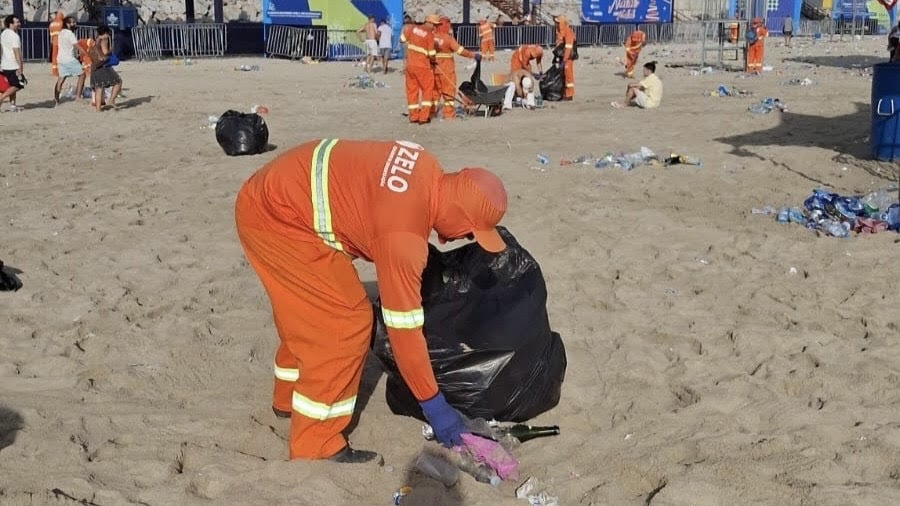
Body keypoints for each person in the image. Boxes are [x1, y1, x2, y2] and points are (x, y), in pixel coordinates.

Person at [234, 138, 509, 463]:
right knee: (344, 324)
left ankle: (288, 400)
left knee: (305, 312)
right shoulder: (403, 239)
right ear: (462, 217)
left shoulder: (425, 163)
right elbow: (403, 333)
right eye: (469, 232)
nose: (464, 238)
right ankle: (316, 446)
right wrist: (435, 406)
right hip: (277, 220)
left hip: (279, 193)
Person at [432, 16, 479, 120]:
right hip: (447, 69)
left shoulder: (432, 36)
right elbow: (460, 50)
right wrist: (473, 55)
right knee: (449, 92)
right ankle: (448, 115)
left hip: (434, 69)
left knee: (435, 93)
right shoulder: (448, 38)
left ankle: (432, 112)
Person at [400, 14, 437, 124]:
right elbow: (431, 53)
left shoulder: (413, 28)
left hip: (410, 65)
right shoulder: (429, 34)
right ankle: (423, 117)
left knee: (412, 91)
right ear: (429, 23)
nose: (435, 27)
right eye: (434, 25)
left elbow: (402, 39)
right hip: (422, 66)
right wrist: (434, 61)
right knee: (427, 90)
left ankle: (413, 116)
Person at [54, 16, 89, 106]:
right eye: (72, 22)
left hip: (61, 58)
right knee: (82, 75)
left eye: (75, 22)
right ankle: (78, 96)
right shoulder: (70, 33)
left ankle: (56, 100)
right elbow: (77, 46)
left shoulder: (61, 32)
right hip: (69, 59)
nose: (75, 24)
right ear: (67, 24)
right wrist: (86, 54)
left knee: (61, 79)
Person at [88, 25, 122, 112]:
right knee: (118, 81)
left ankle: (98, 109)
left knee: (99, 88)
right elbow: (105, 52)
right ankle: (111, 100)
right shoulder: (104, 39)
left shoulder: (96, 39)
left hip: (95, 66)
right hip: (103, 66)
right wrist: (111, 50)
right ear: (106, 33)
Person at [1, 15, 24, 112]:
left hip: (5, 63)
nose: (19, 24)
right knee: (19, 84)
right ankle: (1, 99)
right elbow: (16, 53)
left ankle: (13, 105)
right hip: (12, 64)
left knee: (11, 85)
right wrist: (20, 67)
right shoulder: (15, 36)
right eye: (17, 22)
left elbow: (1, 49)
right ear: (11, 24)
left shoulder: (4, 33)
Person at [554, 15, 576, 101]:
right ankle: (564, 93)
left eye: (557, 22)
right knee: (562, 75)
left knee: (568, 76)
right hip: (561, 56)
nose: (556, 24)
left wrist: (564, 60)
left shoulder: (568, 31)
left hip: (567, 58)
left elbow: (568, 47)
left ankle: (569, 95)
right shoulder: (559, 31)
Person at [49, 11, 64, 77]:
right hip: (61, 42)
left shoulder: (51, 24)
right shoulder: (62, 23)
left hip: (54, 42)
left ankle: (54, 71)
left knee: (54, 57)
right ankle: (61, 70)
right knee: (61, 56)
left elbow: (51, 35)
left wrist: (51, 42)